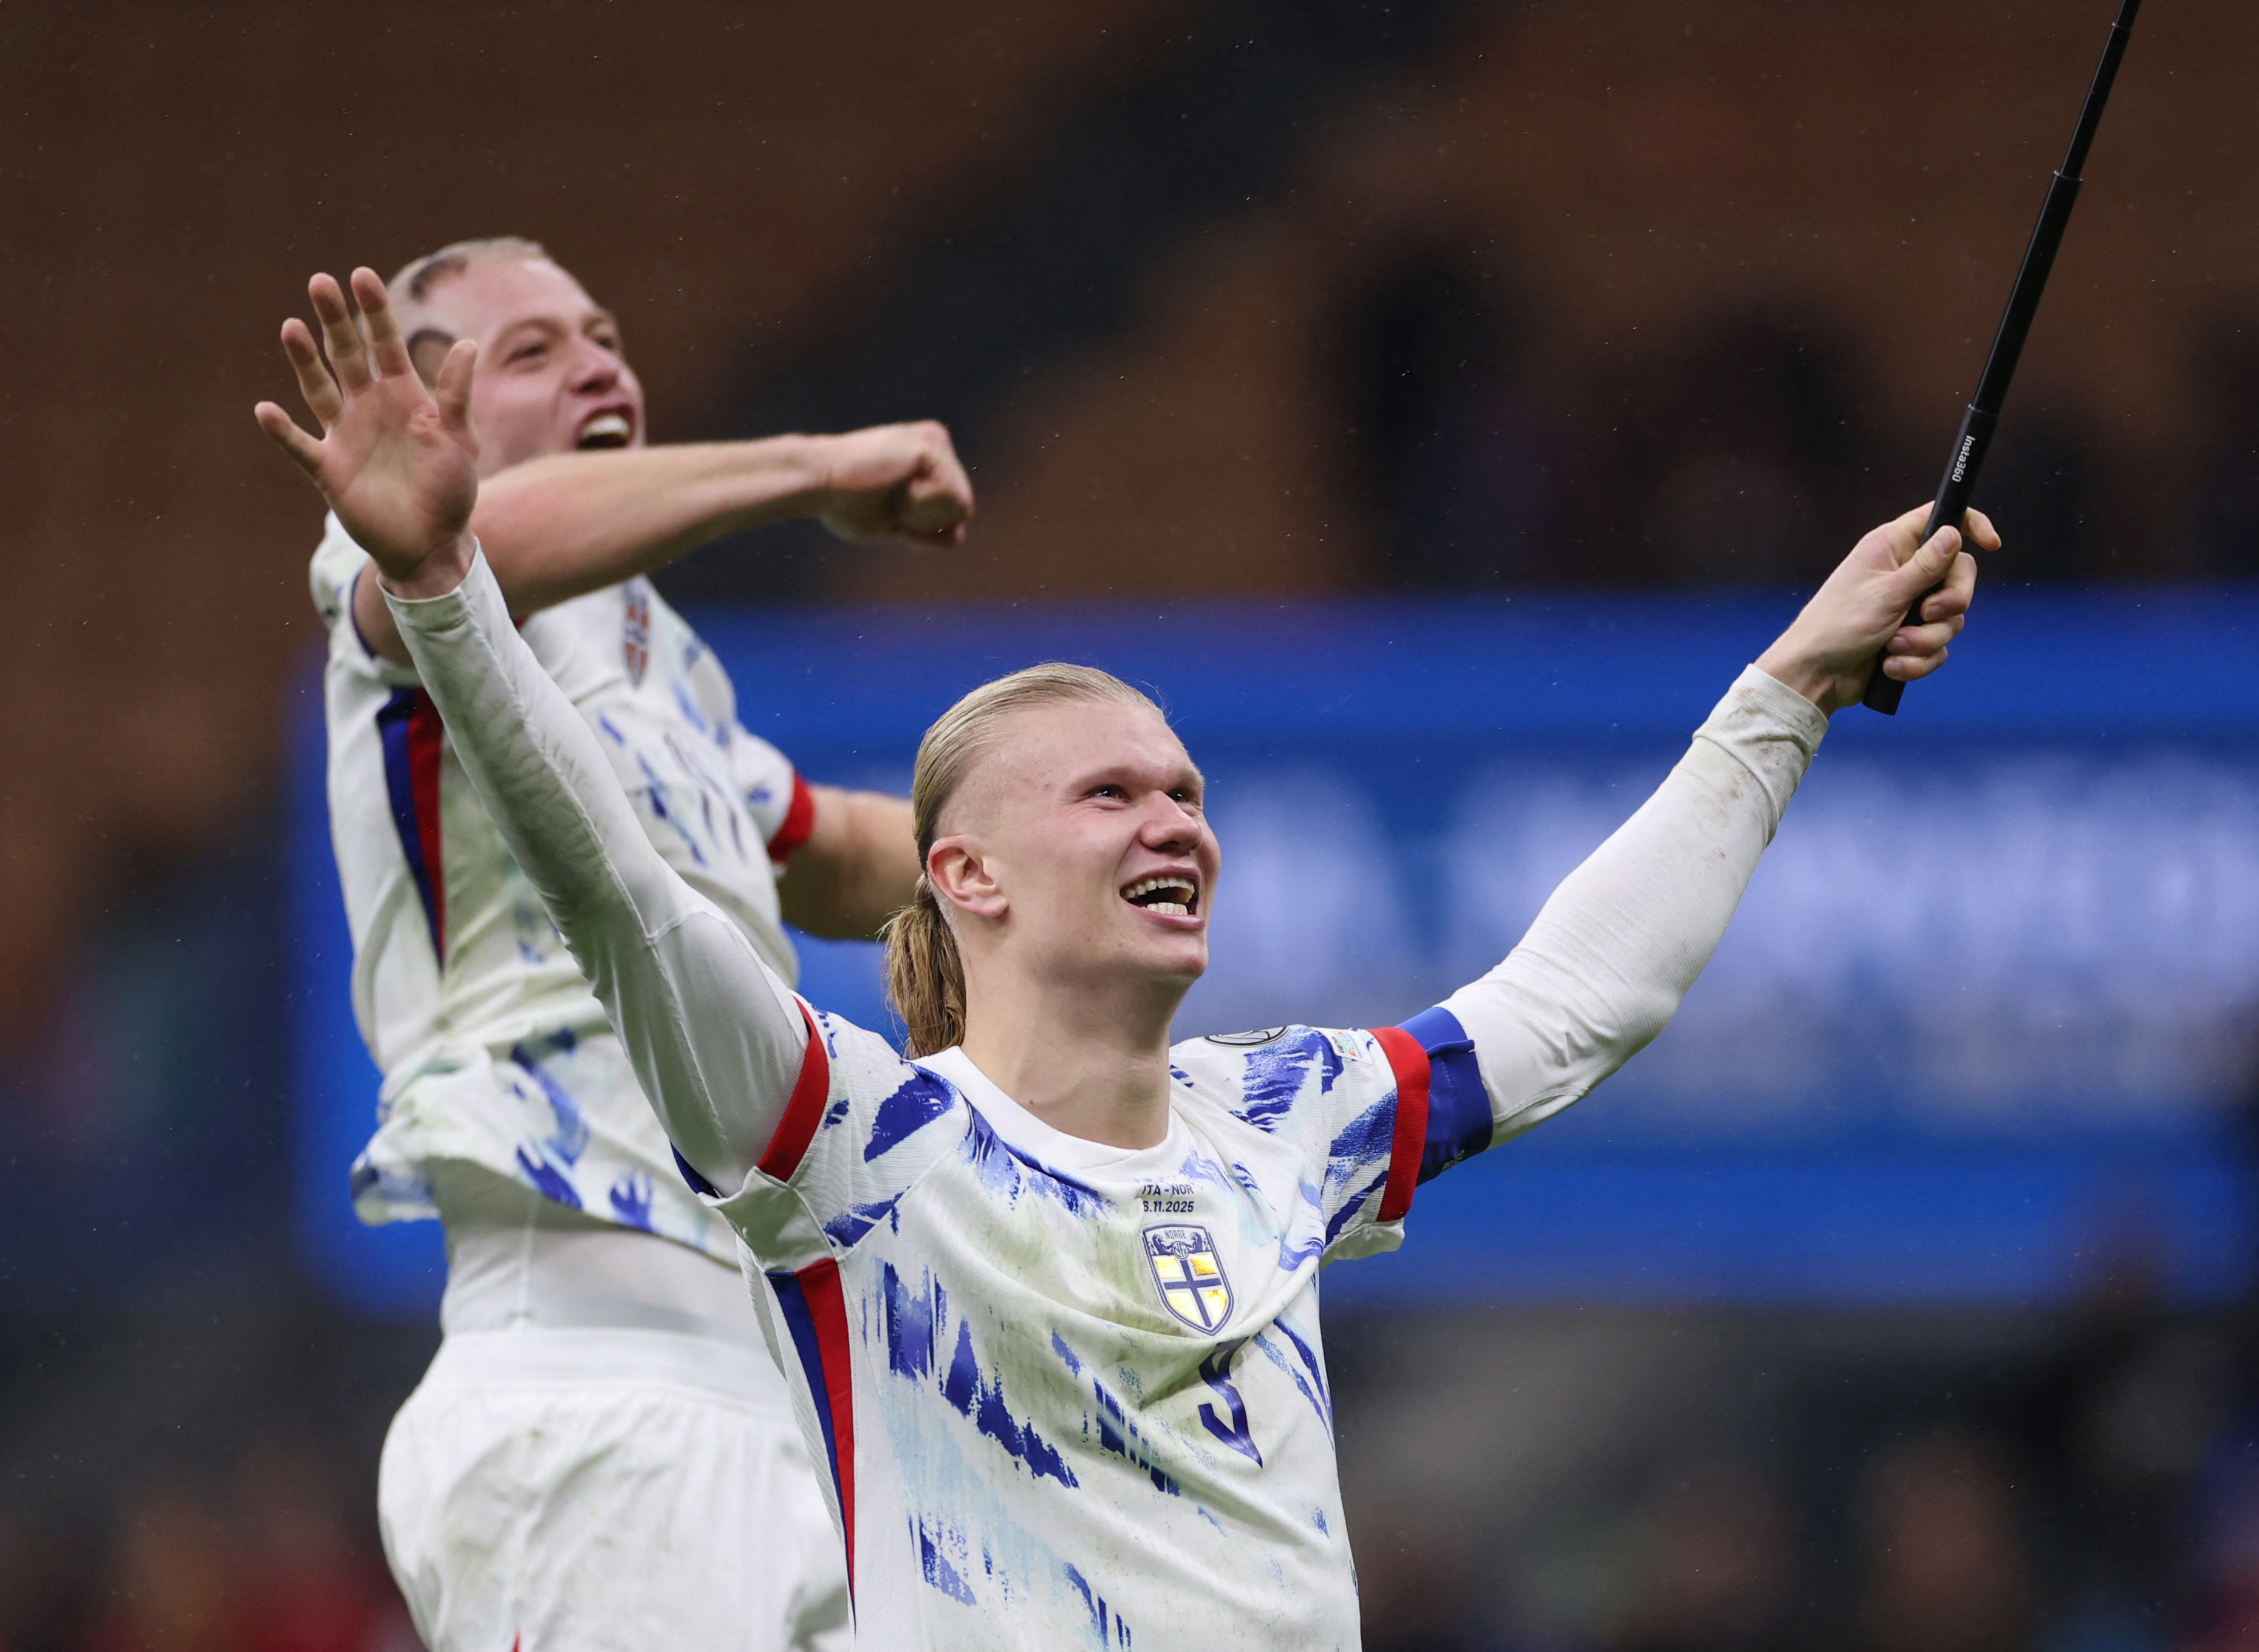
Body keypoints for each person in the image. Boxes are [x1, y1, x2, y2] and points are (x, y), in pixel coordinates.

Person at [259, 264, 1989, 1651]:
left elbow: (1574, 997)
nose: (1179, 822)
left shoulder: (1287, 1123)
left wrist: (1789, 690)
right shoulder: (860, 1147)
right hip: (597, 1359)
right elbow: (613, 887)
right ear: (978, 879)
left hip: (736, 1388)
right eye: (1112, 794)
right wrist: (444, 586)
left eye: (1188, 791)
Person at [286, 241, 972, 1652]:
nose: (602, 362)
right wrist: (813, 466)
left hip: (787, 1399)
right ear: (423, 413)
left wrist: (1047, 850)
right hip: (590, 1395)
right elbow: (479, 551)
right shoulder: (384, 556)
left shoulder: (662, 658)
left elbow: (833, 849)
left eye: (605, 332)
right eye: (530, 351)